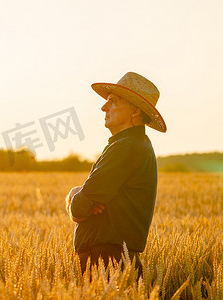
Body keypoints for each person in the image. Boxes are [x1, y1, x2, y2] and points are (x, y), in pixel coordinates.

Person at [65, 72, 167, 277]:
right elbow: (83, 204)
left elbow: (78, 209)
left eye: (112, 101)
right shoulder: (134, 146)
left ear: (135, 110)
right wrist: (80, 195)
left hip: (107, 263)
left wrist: (73, 195)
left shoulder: (126, 148)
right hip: (112, 262)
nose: (104, 107)